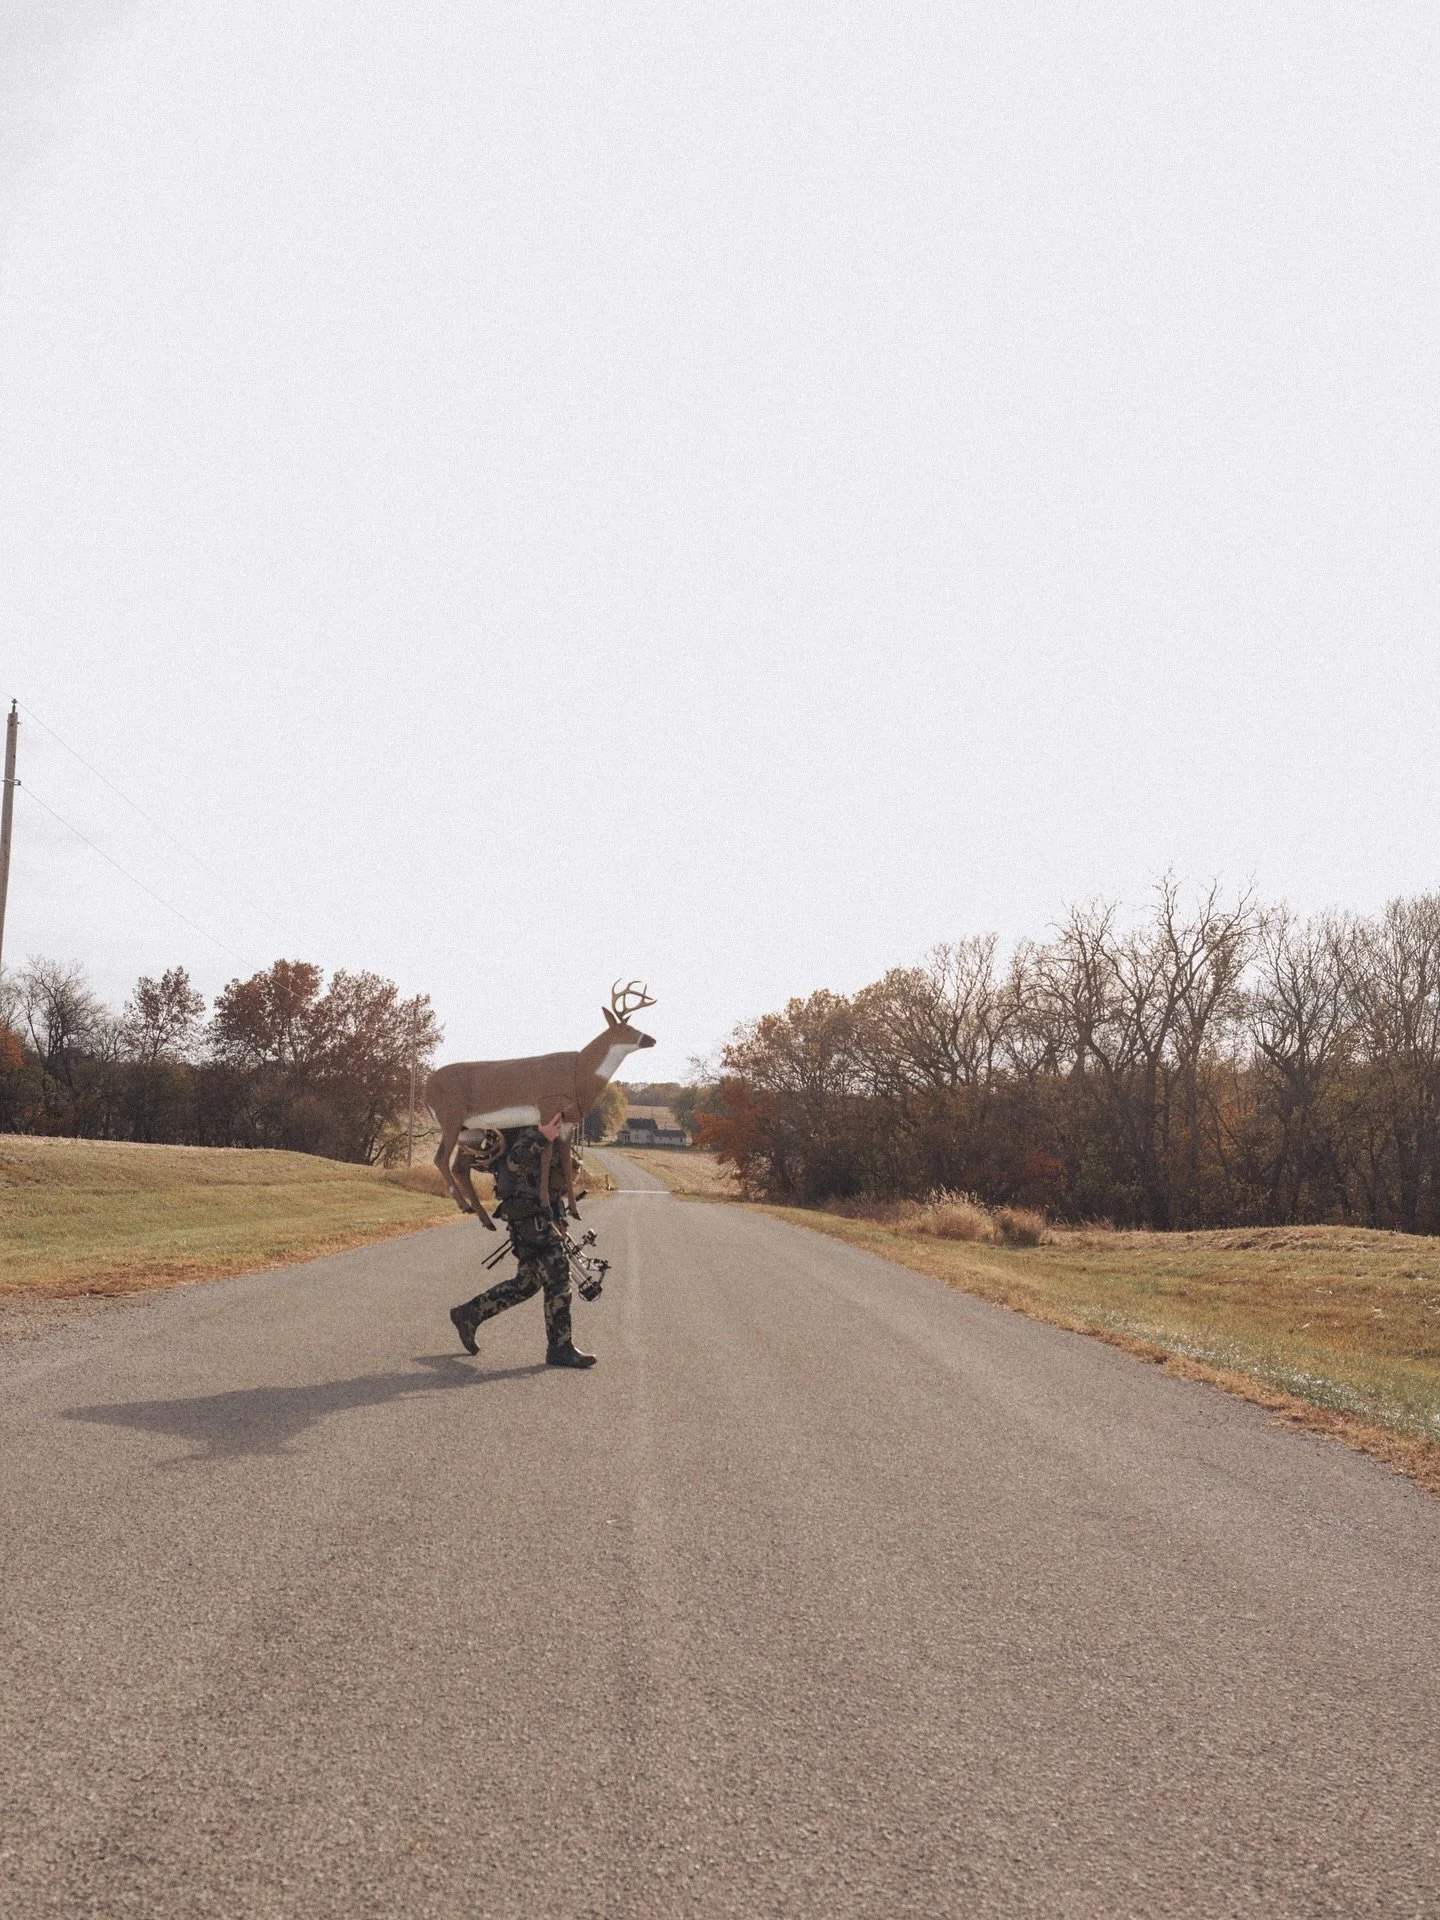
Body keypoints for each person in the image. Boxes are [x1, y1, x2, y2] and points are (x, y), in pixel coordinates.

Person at [448, 1116, 596, 1368]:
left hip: (540, 1213)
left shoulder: (542, 1123)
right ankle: (560, 1347)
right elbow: (515, 1163)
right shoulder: (526, 1128)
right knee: (558, 1273)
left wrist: (558, 1213)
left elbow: (548, 1177)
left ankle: (470, 1313)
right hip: (528, 1215)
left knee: (528, 1282)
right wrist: (541, 1135)